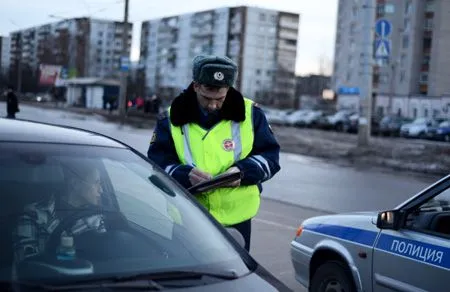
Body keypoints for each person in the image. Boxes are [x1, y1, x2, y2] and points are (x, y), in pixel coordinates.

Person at [147, 55, 281, 252]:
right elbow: (155, 165)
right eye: (207, 98)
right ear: (195, 86)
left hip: (237, 220)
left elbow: (271, 158)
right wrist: (184, 175)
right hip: (188, 218)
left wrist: (241, 173)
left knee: (234, 280)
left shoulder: (252, 114)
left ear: (228, 89)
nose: (213, 105)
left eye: (220, 98)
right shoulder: (169, 119)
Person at [12, 162, 106, 262]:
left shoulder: (96, 217)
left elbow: (103, 257)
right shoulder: (33, 214)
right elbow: (25, 265)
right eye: (96, 183)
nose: (101, 190)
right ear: (75, 184)